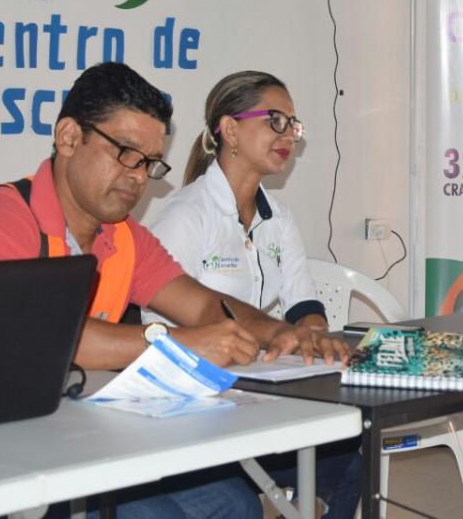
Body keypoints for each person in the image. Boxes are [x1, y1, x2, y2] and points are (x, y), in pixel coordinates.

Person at [0, 62, 342, 518]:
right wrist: (176, 344)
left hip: (87, 436)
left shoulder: (125, 236)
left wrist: (275, 333)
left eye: (149, 163)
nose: (137, 176)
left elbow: (203, 303)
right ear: (69, 137)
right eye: (127, 153)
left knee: (234, 505)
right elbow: (35, 339)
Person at [145, 70, 361, 519]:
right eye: (275, 121)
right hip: (199, 405)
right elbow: (153, 322)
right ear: (229, 130)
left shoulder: (278, 218)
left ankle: (308, 507)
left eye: (294, 126)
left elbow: (304, 307)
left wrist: (316, 336)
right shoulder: (186, 216)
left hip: (260, 395)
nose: (289, 136)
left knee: (356, 436)